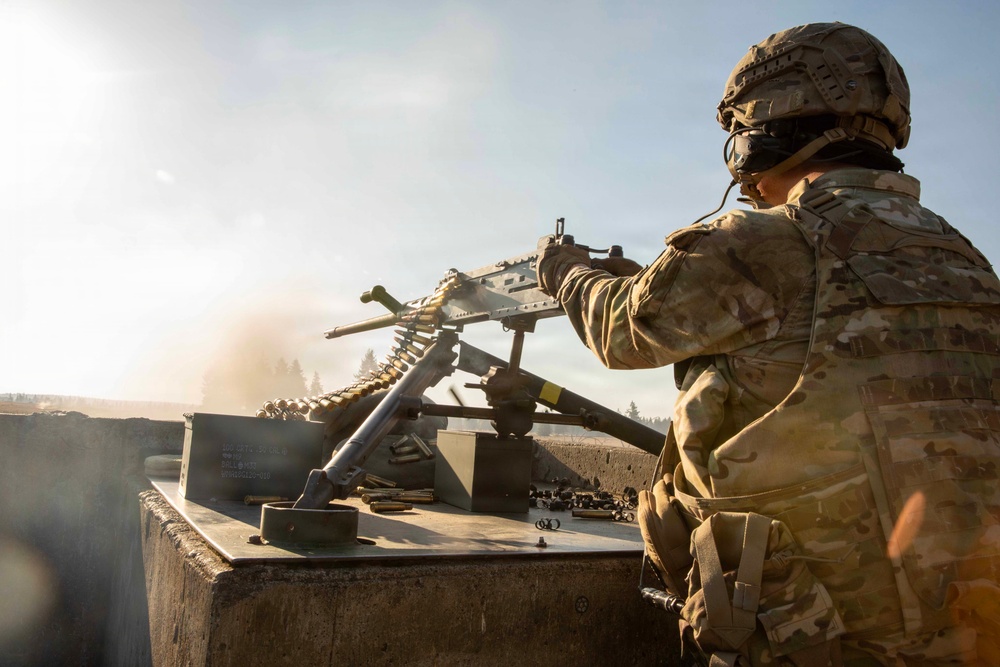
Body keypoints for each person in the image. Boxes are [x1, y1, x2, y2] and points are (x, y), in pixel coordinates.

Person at [537, 22, 1000, 667]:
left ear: (763, 130)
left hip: (818, 634)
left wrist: (562, 272)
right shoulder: (962, 255)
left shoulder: (760, 240)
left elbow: (623, 330)